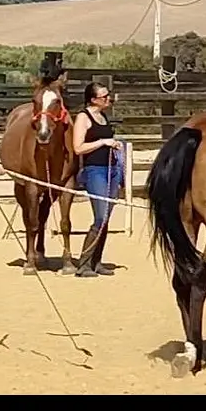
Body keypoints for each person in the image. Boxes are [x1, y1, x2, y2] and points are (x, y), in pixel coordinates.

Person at [72, 81, 123, 277]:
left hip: (112, 169)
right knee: (100, 217)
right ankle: (83, 264)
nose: (108, 99)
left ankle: (97, 261)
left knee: (106, 219)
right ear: (93, 99)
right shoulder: (83, 118)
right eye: (104, 96)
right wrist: (102, 142)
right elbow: (78, 147)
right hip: (95, 171)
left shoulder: (102, 117)